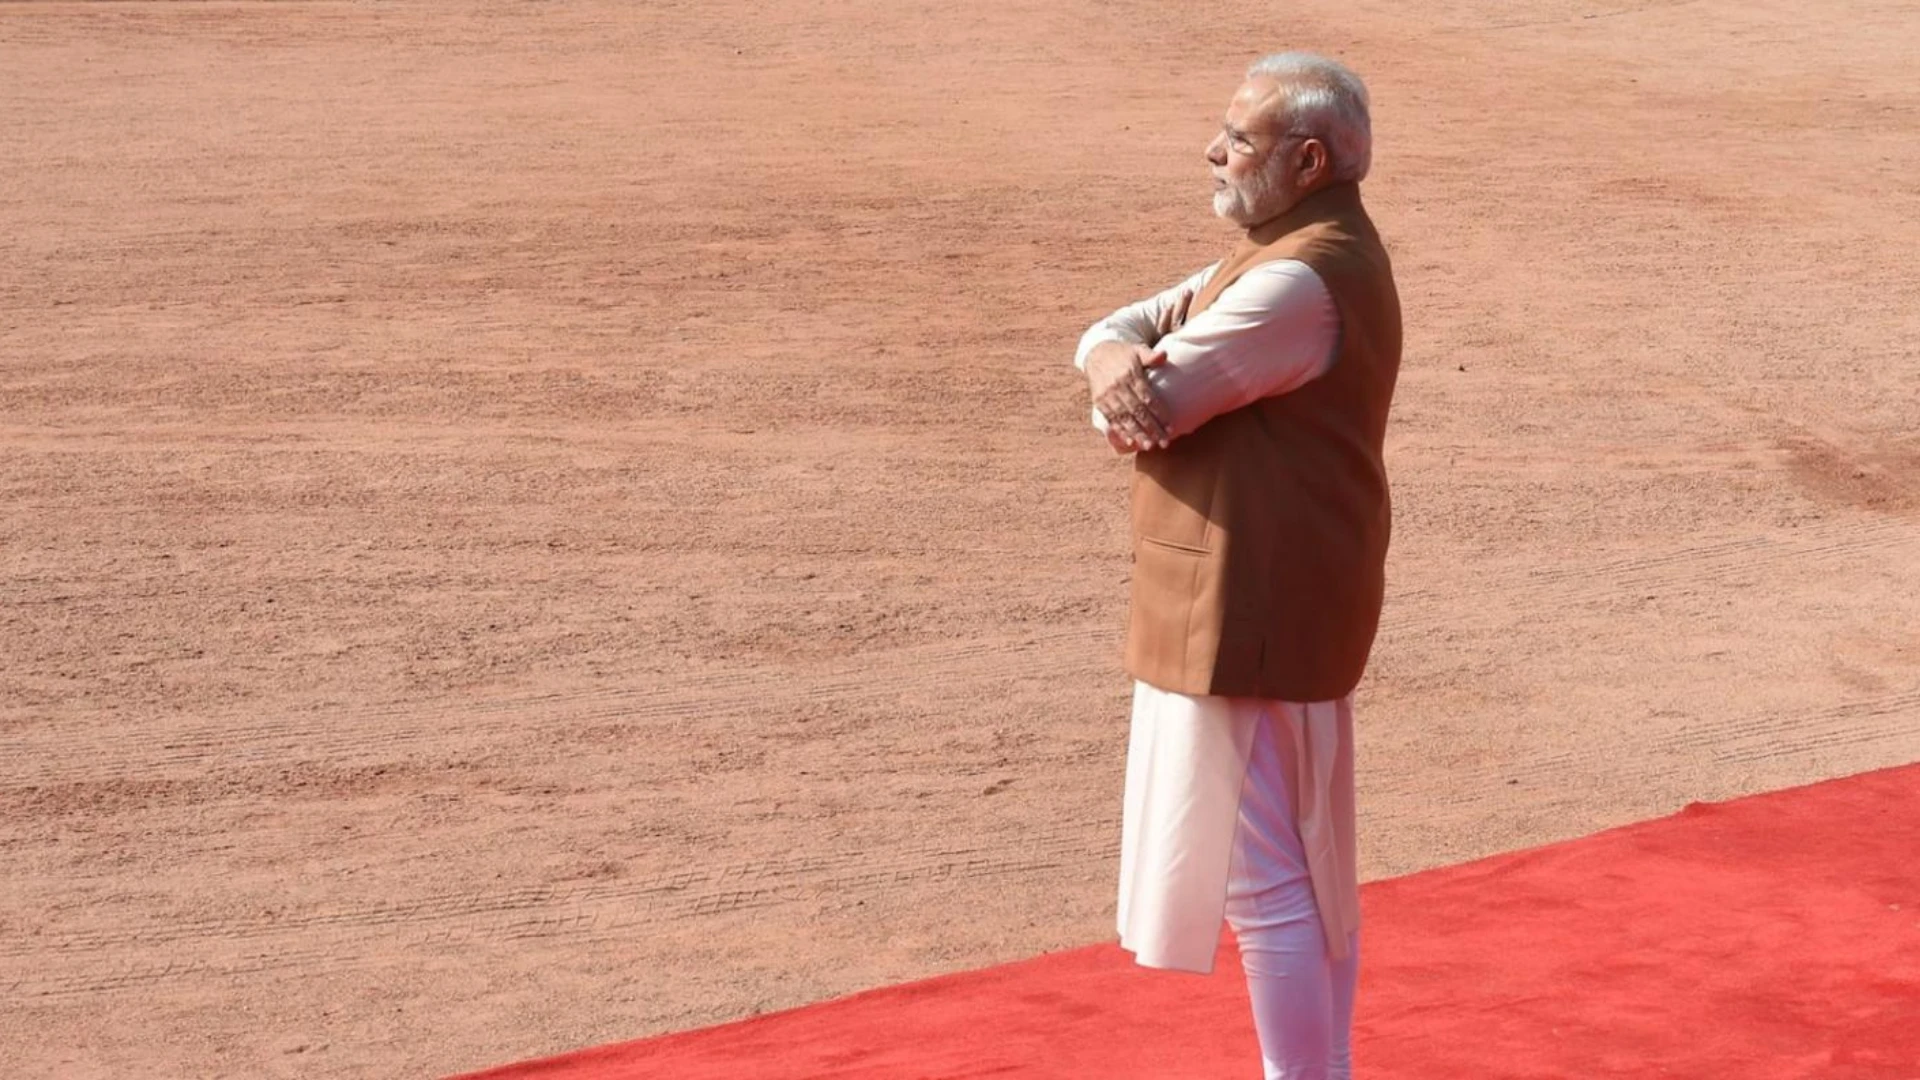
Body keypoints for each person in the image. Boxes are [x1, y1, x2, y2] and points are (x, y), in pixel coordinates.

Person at [1073, 52, 1401, 1080]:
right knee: (1308, 868)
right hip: (1284, 592)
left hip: (1247, 605)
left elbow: (1147, 410)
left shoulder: (1294, 282)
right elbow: (1116, 338)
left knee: (1269, 884)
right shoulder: (1298, 250)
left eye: (1240, 140)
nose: (1213, 152)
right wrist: (1113, 359)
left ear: (1308, 160)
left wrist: (1118, 379)